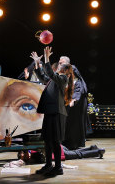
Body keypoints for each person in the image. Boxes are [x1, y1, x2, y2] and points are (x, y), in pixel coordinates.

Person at [31, 46, 73, 177]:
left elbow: (49, 74)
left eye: (62, 62)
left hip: (57, 113)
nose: (59, 63)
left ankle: (58, 167)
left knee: (55, 140)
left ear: (67, 67)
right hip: (50, 112)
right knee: (47, 140)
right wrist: (38, 63)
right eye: (59, 61)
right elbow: (43, 76)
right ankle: (49, 165)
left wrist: (47, 58)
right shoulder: (54, 78)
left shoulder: (63, 78)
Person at [60, 55, 90, 149]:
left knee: (75, 123)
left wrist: (74, 99)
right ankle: (67, 142)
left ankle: (75, 144)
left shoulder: (73, 72)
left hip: (77, 103)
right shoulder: (63, 75)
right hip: (69, 102)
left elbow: (79, 88)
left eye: (61, 62)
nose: (59, 64)